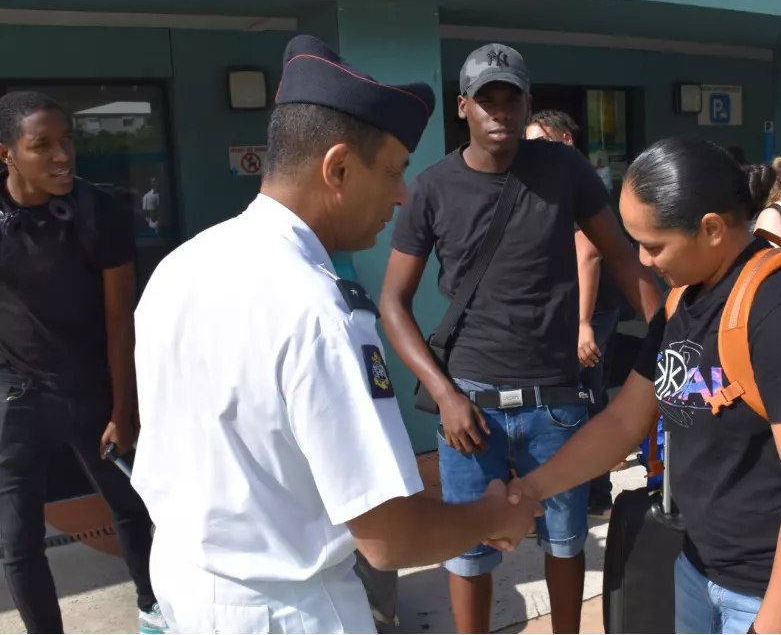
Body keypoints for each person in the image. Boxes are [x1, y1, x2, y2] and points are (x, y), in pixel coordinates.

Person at [131, 37, 539, 632]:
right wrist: (492, 517)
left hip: (186, 588)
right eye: (396, 171)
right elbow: (387, 537)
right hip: (286, 608)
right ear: (339, 168)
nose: (402, 195)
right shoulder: (321, 311)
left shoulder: (182, 265)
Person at [506, 138, 781, 633]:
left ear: (710, 229)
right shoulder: (683, 302)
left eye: (654, 244)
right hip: (704, 576)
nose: (643, 261)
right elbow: (625, 420)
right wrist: (532, 489)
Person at [379, 45, 659, 635]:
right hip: (470, 406)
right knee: (467, 553)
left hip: (556, 402)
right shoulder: (432, 189)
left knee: (564, 545)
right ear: (464, 108)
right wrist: (443, 393)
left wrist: (680, 343)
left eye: (511, 98)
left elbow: (623, 262)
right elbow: (392, 305)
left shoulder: (566, 170)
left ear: (528, 103)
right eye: (487, 99)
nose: (499, 111)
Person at [0, 94, 161, 635]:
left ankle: (154, 610)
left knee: (132, 508)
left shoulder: (99, 211)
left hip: (92, 388)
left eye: (66, 139)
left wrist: (124, 407)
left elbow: (122, 319)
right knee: (17, 543)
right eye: (41, 145)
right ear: (7, 154)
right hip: (18, 397)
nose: (62, 155)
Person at [523, 109, 621, 515]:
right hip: (566, 312)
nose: (529, 151)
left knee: (581, 402)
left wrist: (582, 325)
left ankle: (593, 496)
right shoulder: (548, 182)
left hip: (587, 313)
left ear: (565, 141)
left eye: (538, 141)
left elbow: (589, 255)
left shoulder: (580, 184)